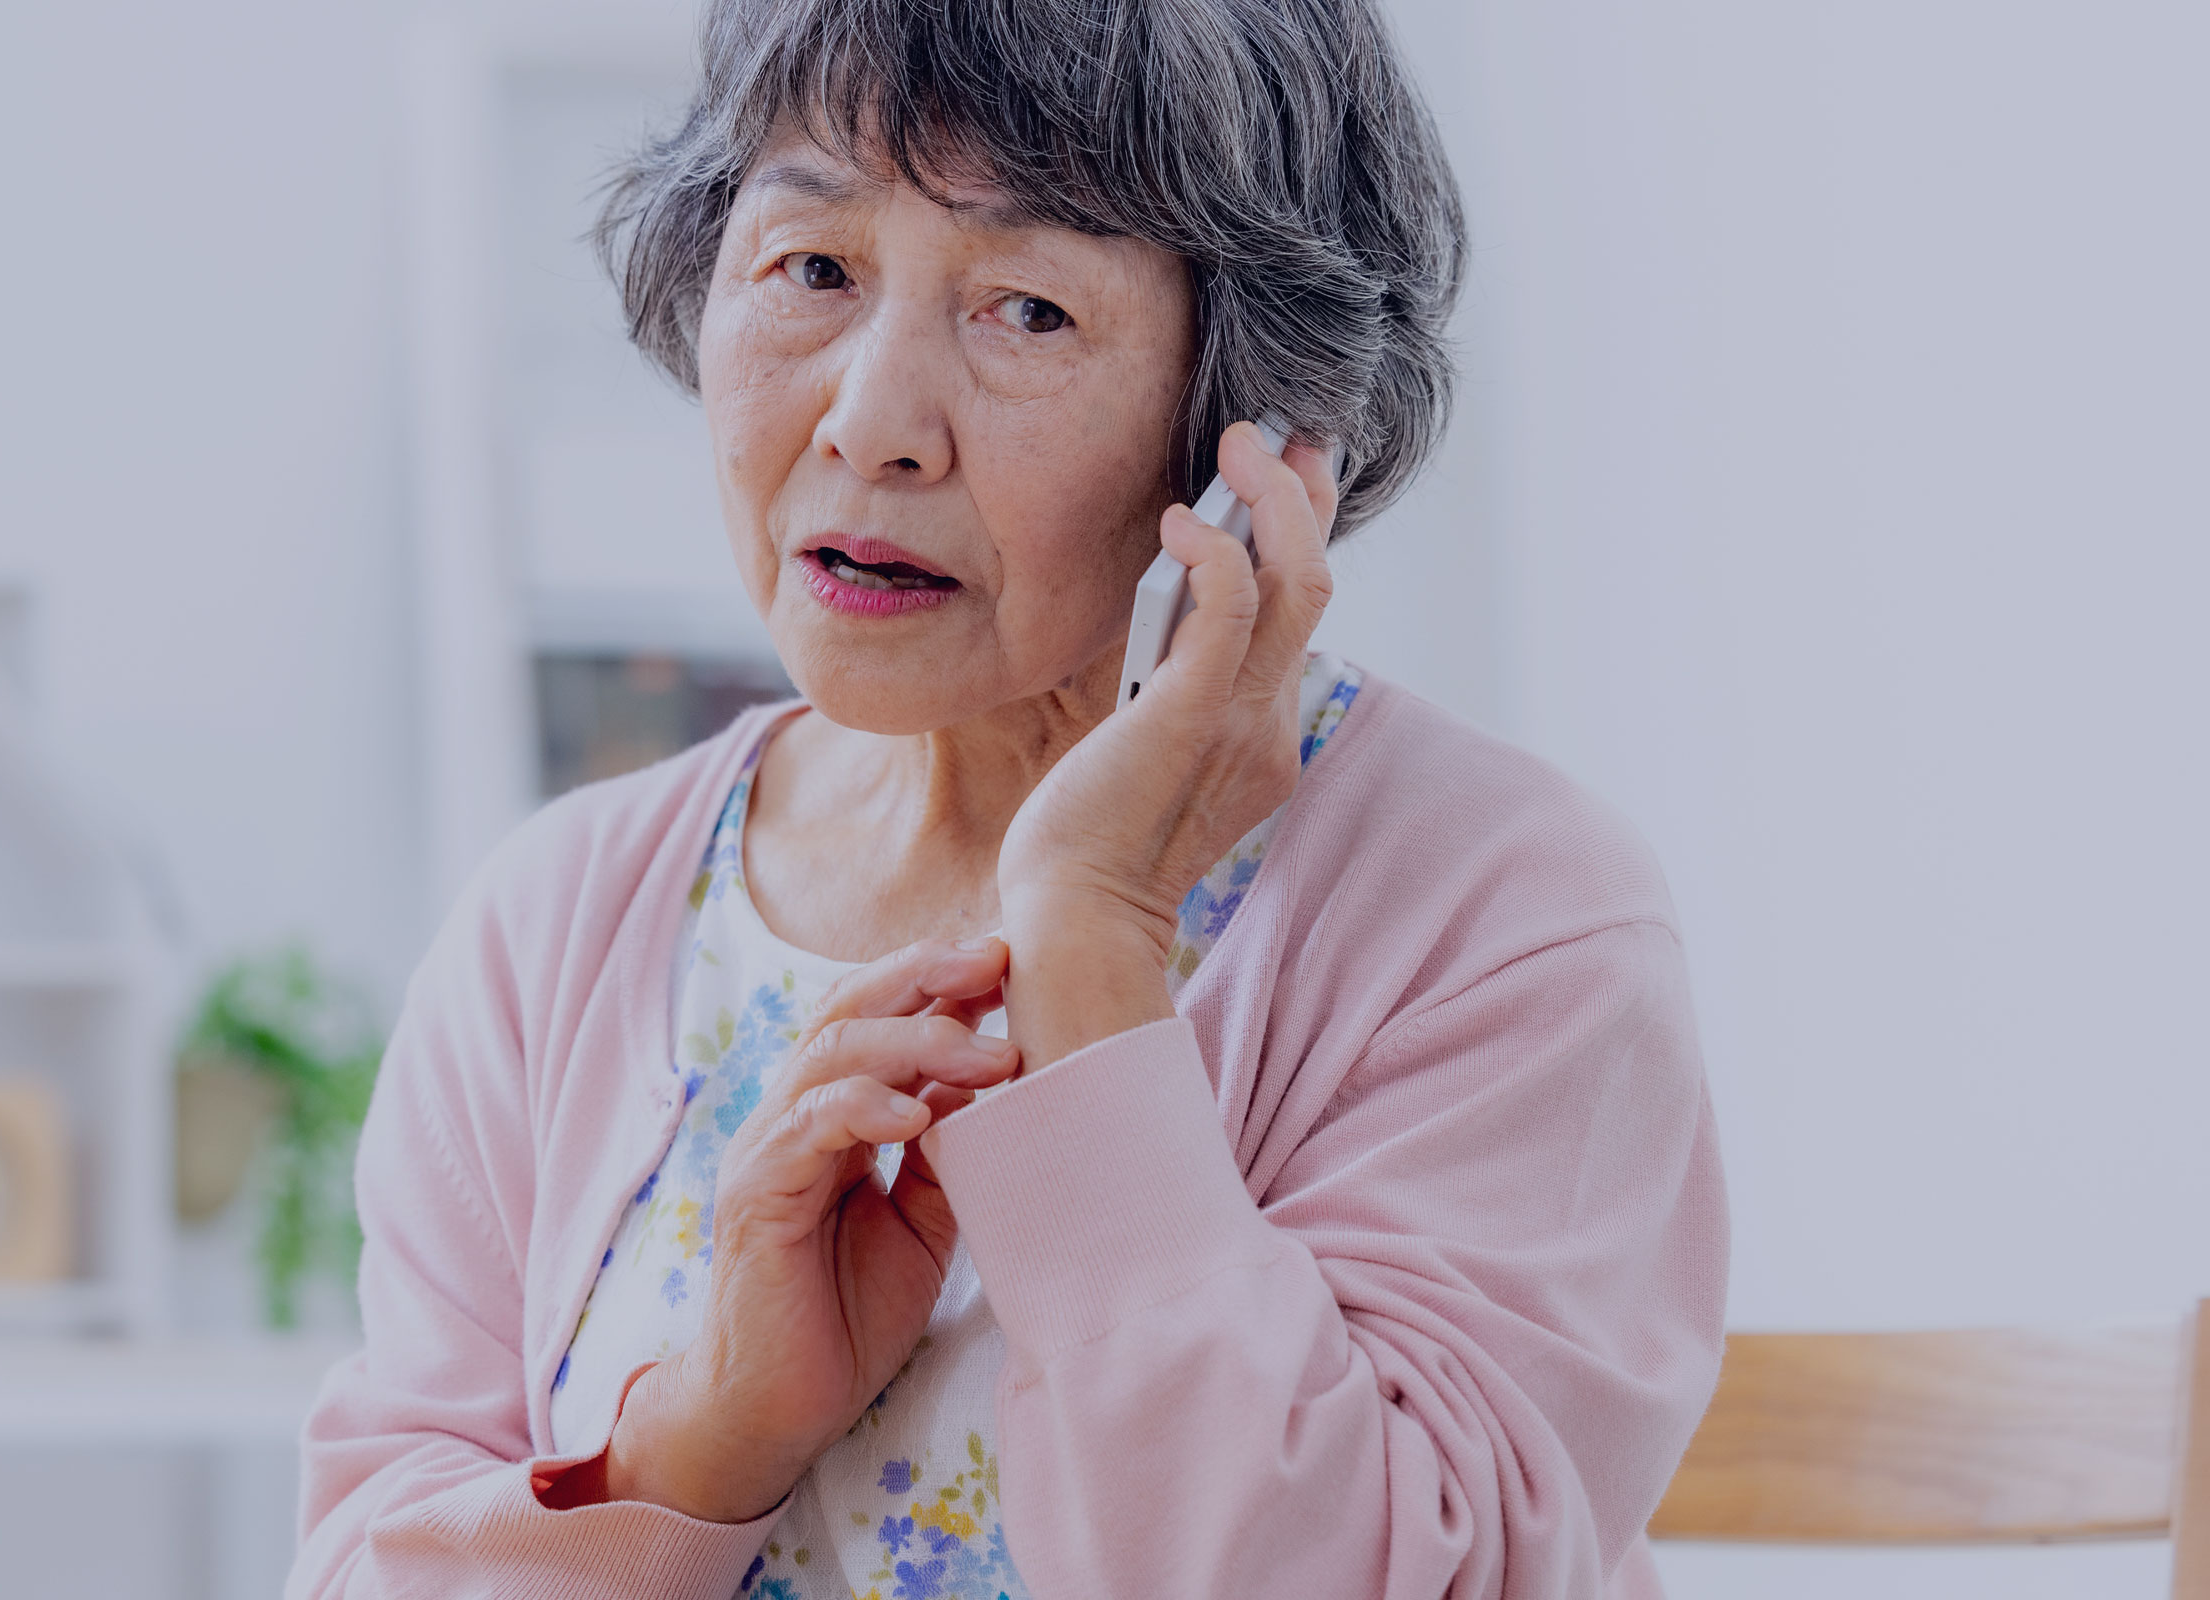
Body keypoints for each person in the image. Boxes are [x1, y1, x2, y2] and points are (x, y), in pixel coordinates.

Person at [294, 0, 1724, 1594]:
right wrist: (700, 1443)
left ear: (1252, 427)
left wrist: (1096, 950)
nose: (872, 422)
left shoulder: (1500, 915)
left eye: (1028, 310)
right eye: (813, 269)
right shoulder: (558, 922)